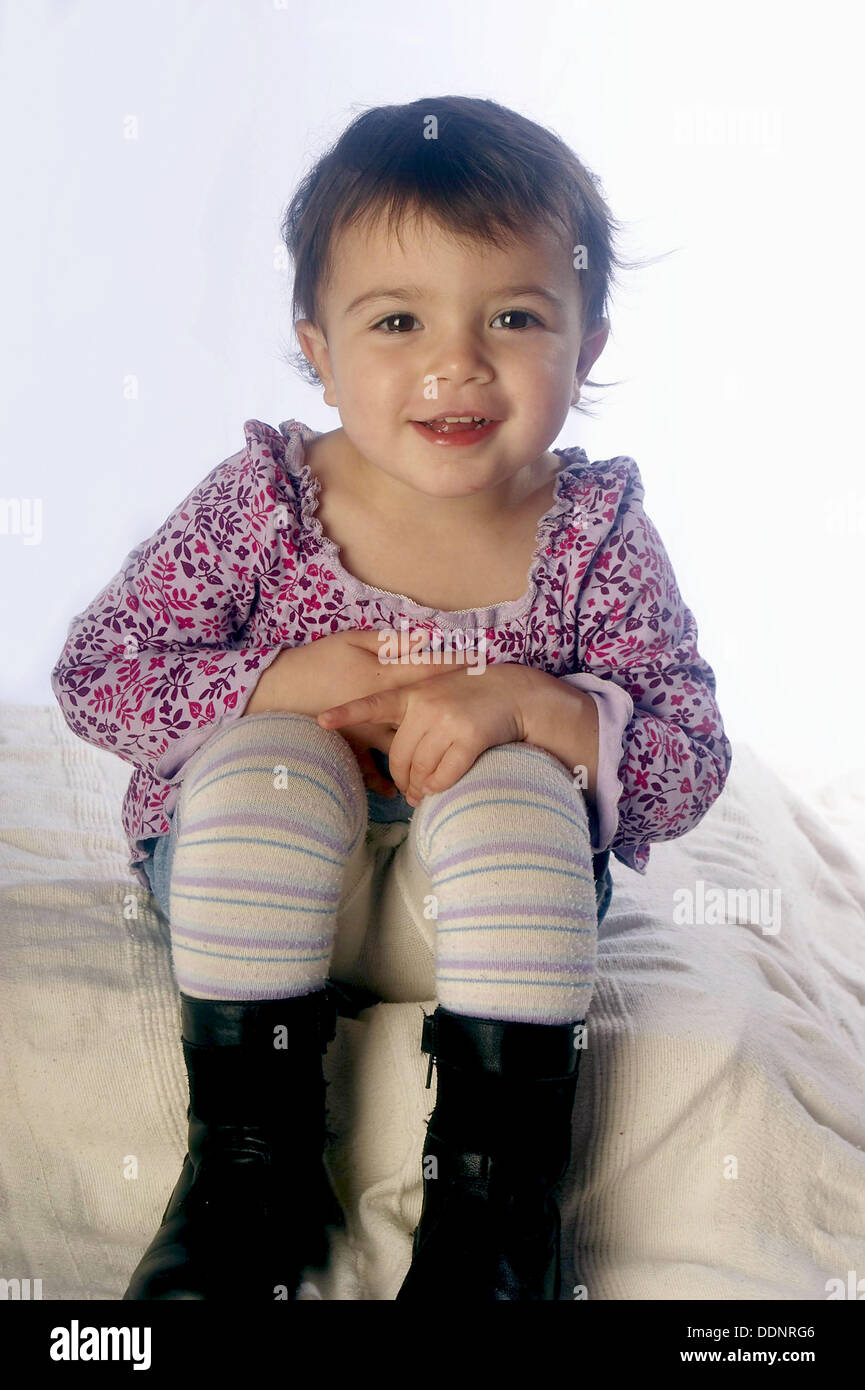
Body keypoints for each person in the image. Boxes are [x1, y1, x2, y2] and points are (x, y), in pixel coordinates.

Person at [50, 95, 732, 1302]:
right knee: (276, 760)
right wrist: (276, 681)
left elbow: (687, 761)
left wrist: (532, 706)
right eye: (397, 319)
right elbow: (98, 673)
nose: (454, 361)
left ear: (587, 340)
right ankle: (244, 1175)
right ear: (316, 347)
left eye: (515, 316)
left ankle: (494, 1210)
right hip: (250, 908)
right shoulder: (264, 503)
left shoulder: (594, 535)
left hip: (488, 935)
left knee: (516, 777)